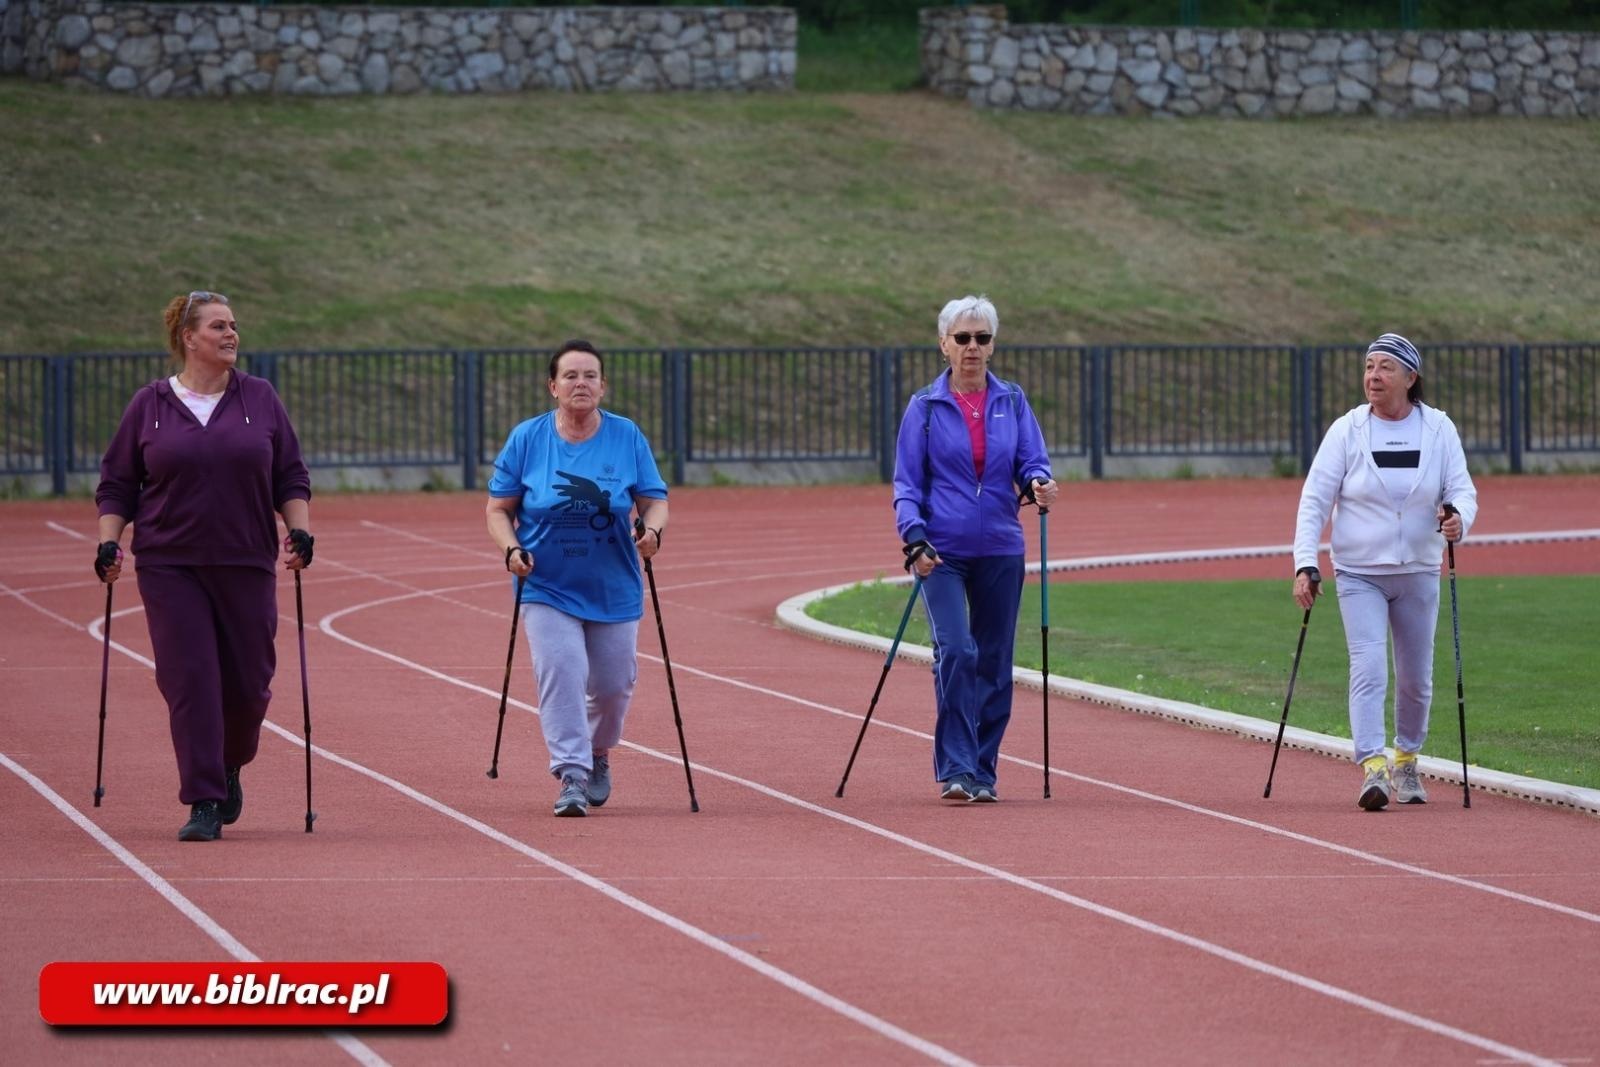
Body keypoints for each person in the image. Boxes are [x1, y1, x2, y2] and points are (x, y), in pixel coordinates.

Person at [95, 290, 313, 842]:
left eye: (234, 325)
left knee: (249, 684)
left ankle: (230, 762)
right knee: (190, 679)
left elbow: (289, 475)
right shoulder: (149, 404)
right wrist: (108, 543)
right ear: (189, 338)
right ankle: (204, 798)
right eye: (218, 326)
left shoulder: (259, 398)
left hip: (245, 559)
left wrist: (300, 529)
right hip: (171, 564)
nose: (231, 334)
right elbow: (118, 484)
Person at [1293, 332, 1478, 811]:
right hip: (1359, 572)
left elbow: (1462, 489)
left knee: (1416, 677)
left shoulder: (1438, 429)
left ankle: (1407, 759)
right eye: (1369, 367)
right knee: (1369, 666)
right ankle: (1373, 766)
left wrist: (1459, 518)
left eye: (1384, 368)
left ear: (1410, 377)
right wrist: (1306, 563)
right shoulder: (1348, 429)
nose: (1373, 376)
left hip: (1418, 568)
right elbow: (1315, 500)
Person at [486, 340, 669, 818]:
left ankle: (599, 751)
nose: (580, 383)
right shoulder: (527, 439)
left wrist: (651, 531)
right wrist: (510, 549)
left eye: (590, 375)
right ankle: (571, 773)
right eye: (570, 376)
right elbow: (498, 509)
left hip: (613, 584)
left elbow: (654, 499)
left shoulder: (627, 436)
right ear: (553, 387)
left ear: (603, 386)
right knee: (562, 673)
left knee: (612, 686)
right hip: (546, 584)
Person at [892, 295, 1058, 803]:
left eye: (981, 338)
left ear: (992, 345)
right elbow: (906, 483)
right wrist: (913, 536)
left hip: (1001, 549)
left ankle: (983, 771)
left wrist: (1038, 483)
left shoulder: (1012, 401)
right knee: (957, 651)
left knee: (994, 661)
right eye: (962, 338)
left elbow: (1033, 461)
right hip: (940, 552)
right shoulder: (924, 408)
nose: (972, 347)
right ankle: (957, 766)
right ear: (943, 344)